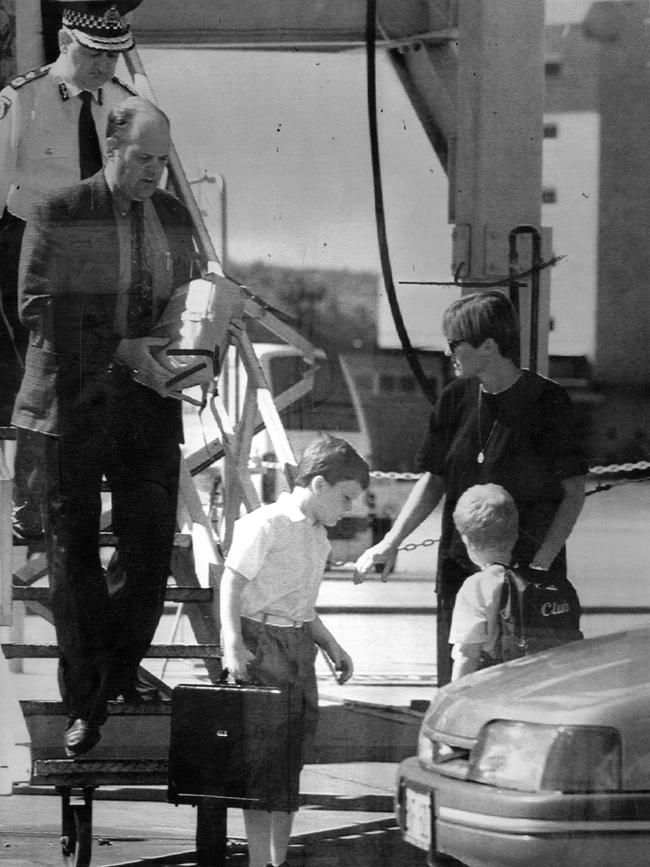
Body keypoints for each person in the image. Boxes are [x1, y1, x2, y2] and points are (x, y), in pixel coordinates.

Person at [11, 95, 199, 757]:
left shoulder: (173, 216)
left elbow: (196, 297)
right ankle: (86, 704)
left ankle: (113, 673)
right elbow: (37, 310)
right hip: (74, 402)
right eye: (142, 159)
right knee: (74, 557)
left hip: (149, 405)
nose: (153, 172)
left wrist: (200, 341)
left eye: (162, 160)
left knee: (149, 553)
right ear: (111, 148)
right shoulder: (60, 211)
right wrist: (122, 348)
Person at [354, 290, 587, 687]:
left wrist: (541, 565)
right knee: (458, 679)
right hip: (460, 572)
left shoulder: (549, 402)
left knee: (519, 690)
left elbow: (573, 491)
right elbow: (433, 478)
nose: (449, 354)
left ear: (490, 345)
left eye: (454, 344)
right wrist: (389, 543)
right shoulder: (455, 398)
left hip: (525, 582)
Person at [0, 0, 142, 541]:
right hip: (30, 249)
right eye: (93, 55)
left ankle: (74, 487)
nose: (105, 68)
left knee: (102, 368)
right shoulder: (23, 98)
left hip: (102, 252)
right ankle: (33, 500)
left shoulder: (126, 105)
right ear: (64, 41)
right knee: (46, 368)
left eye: (114, 58)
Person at [220, 434, 369, 867]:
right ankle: (255, 859)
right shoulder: (266, 524)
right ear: (319, 485)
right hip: (258, 644)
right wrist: (232, 644)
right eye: (345, 497)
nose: (350, 509)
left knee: (289, 762)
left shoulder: (318, 539)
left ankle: (277, 861)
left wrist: (331, 644)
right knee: (260, 761)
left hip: (297, 646)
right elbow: (233, 582)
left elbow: (302, 605)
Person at [448, 483, 520, 681]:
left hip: (496, 685)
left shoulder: (476, 587)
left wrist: (454, 697)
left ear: (467, 542)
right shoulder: (536, 578)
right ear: (514, 536)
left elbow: (466, 655)